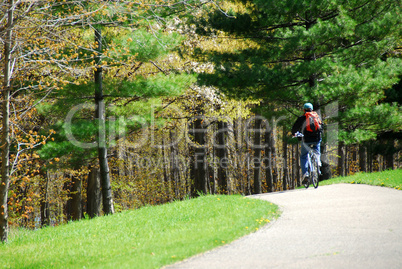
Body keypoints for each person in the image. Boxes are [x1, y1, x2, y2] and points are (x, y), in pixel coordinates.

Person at [291, 103, 322, 184]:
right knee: (317, 151)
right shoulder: (316, 116)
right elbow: (321, 126)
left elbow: (294, 128)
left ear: (304, 110)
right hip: (317, 139)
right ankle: (318, 162)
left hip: (306, 140)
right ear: (312, 109)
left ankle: (306, 174)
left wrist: (294, 134)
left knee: (303, 156)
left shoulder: (302, 118)